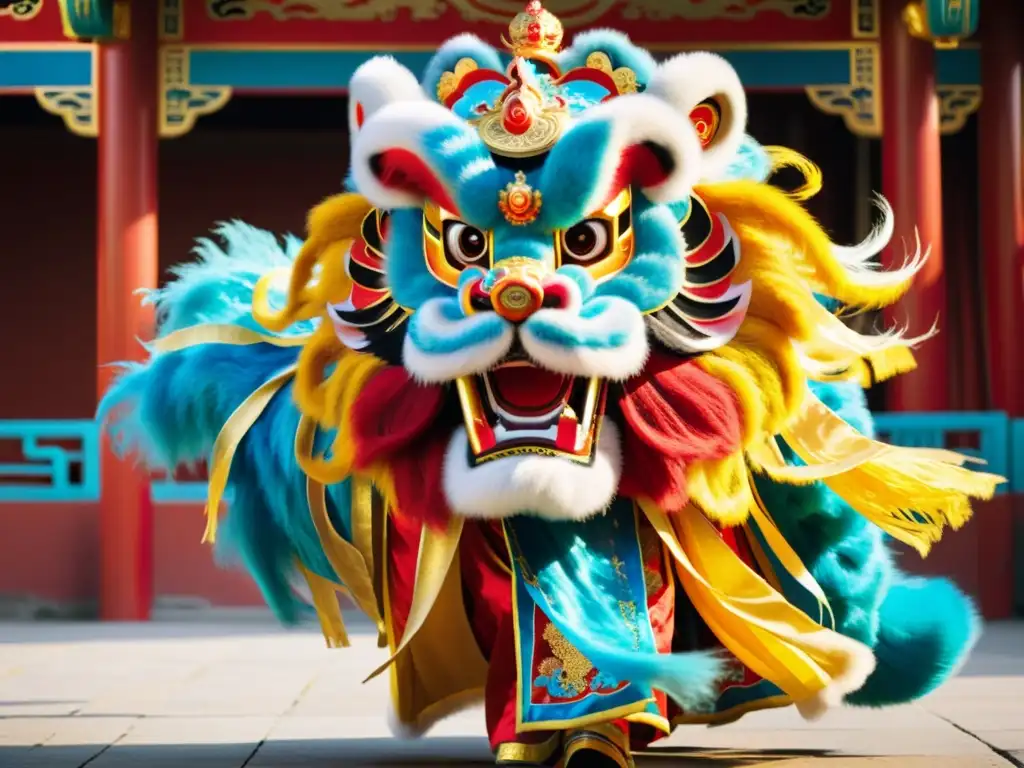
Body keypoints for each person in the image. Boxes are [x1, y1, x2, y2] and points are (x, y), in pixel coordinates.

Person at [99, 4, 999, 766]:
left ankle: (632, 697)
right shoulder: (413, 307)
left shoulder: (694, 301)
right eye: (468, 247)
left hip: (619, 388)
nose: (516, 284)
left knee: (741, 496)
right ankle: (573, 708)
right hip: (476, 404)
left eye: (579, 241)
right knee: (484, 548)